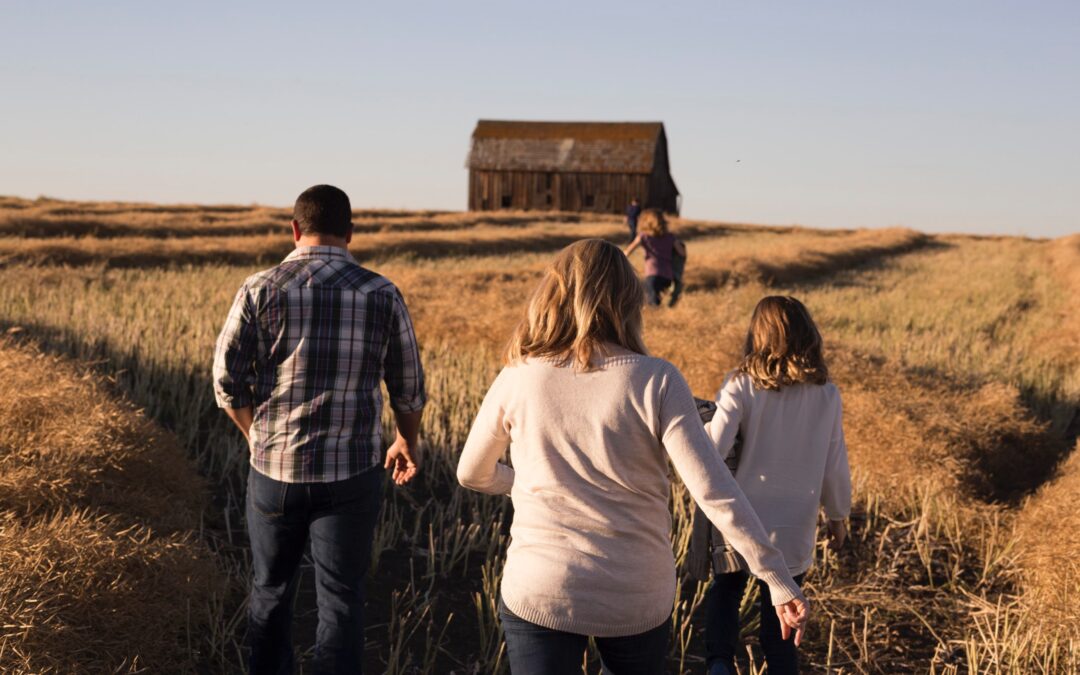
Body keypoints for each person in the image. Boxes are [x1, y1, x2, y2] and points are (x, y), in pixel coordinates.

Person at [456, 240, 809, 675]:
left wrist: (528, 483)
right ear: (629, 299)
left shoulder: (519, 375)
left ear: (554, 294)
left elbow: (471, 473)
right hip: (635, 595)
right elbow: (714, 491)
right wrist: (775, 577)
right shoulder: (657, 379)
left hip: (541, 588)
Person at [212, 184, 426, 674]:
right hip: (351, 476)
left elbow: (227, 385)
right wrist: (405, 440)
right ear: (351, 233)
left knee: (270, 592)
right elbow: (408, 388)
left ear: (294, 229)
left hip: (274, 472)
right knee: (342, 599)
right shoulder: (381, 292)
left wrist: (255, 437)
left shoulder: (259, 288)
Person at [692, 296, 852, 675]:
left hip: (742, 517)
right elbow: (835, 462)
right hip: (795, 523)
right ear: (809, 335)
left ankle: (718, 664)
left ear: (757, 336)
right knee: (781, 615)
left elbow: (713, 447)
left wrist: (700, 424)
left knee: (726, 591)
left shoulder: (741, 385)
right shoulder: (827, 394)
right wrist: (838, 516)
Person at [624, 209, 686, 307]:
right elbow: (682, 253)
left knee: (651, 304)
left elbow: (627, 252)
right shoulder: (670, 237)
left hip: (652, 274)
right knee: (659, 301)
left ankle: (657, 318)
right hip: (668, 276)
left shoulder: (643, 237)